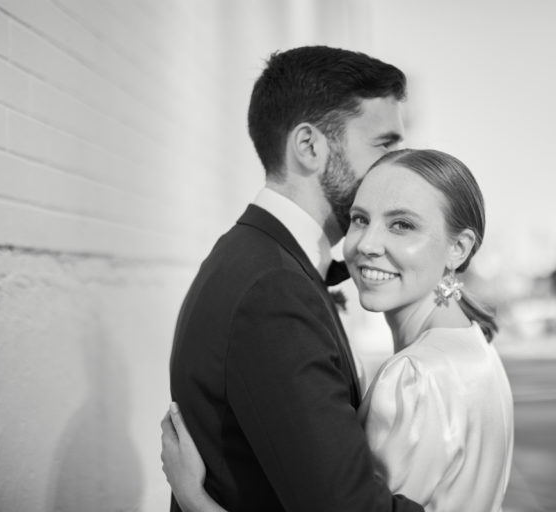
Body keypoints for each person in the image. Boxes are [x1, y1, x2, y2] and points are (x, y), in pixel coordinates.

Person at [163, 149, 515, 512]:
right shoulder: (479, 351)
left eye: (401, 225)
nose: (366, 244)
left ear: (459, 248)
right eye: (360, 219)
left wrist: (195, 500)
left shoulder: (414, 377)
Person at [167, 45, 422, 512]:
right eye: (384, 146)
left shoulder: (263, 260)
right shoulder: (273, 289)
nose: (397, 168)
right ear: (309, 147)